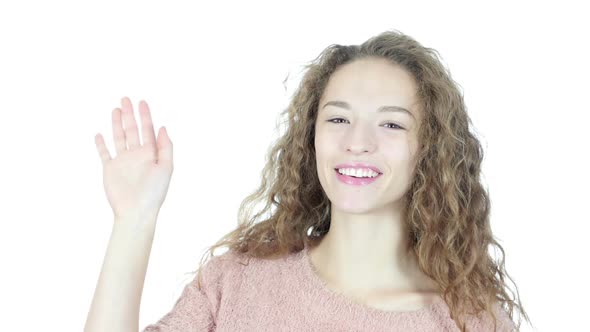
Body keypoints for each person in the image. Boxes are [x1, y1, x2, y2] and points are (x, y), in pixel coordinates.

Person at [85, 30, 531, 331]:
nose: (358, 142)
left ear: (429, 148)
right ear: (311, 136)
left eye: (392, 125)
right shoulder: (235, 282)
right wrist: (133, 222)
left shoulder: (469, 319)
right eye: (338, 118)